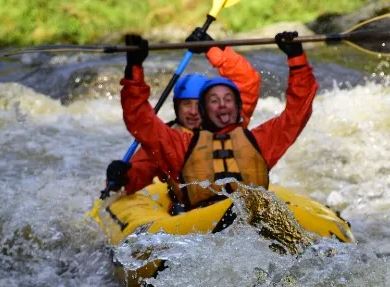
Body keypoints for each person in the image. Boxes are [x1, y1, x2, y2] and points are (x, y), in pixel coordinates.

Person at [118, 30, 316, 214]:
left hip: (253, 218)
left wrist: (297, 59)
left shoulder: (257, 141)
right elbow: (140, 119)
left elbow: (297, 111)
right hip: (197, 221)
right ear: (204, 109)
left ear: (238, 107)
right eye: (214, 101)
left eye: (228, 100)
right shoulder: (178, 144)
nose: (222, 105)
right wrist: (134, 68)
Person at [105, 27, 261, 196]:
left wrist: (212, 47)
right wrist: (123, 176)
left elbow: (248, 81)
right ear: (176, 108)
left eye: (198, 105)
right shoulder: (166, 140)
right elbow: (139, 172)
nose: (193, 112)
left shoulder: (228, 125)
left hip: (232, 200)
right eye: (186, 104)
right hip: (189, 213)